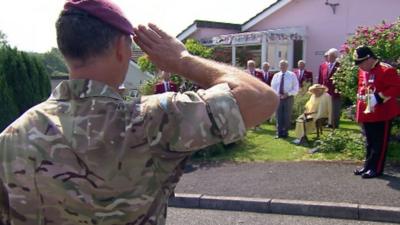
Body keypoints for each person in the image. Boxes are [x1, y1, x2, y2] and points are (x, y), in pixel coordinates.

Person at [0, 0, 279, 224]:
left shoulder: (12, 137)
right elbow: (260, 98)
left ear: (65, 51)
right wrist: (183, 60)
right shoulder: (152, 120)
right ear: (123, 49)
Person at [352, 46, 400, 179]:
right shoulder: (362, 70)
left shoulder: (387, 70)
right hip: (368, 113)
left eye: (361, 63)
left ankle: (376, 169)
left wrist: (378, 97)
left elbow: (396, 88)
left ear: (369, 58)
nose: (359, 66)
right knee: (370, 142)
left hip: (382, 113)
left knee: (379, 143)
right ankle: (368, 166)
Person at [271, 60, 299, 138]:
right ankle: (279, 133)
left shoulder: (292, 75)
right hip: (278, 98)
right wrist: (277, 94)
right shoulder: (276, 75)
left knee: (287, 115)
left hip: (288, 98)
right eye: (281, 65)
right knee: (278, 115)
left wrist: (288, 94)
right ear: (279, 66)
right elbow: (272, 87)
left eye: (284, 65)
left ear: (287, 66)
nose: (282, 67)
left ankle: (285, 132)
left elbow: (296, 88)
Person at [318, 48, 341, 129]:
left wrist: (339, 90)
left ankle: (335, 124)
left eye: (331, 56)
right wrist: (320, 88)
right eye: (328, 56)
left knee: (335, 108)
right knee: (327, 108)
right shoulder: (323, 66)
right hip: (325, 91)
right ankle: (328, 122)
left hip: (335, 91)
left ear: (335, 56)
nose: (329, 58)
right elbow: (321, 79)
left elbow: (342, 79)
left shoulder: (340, 65)